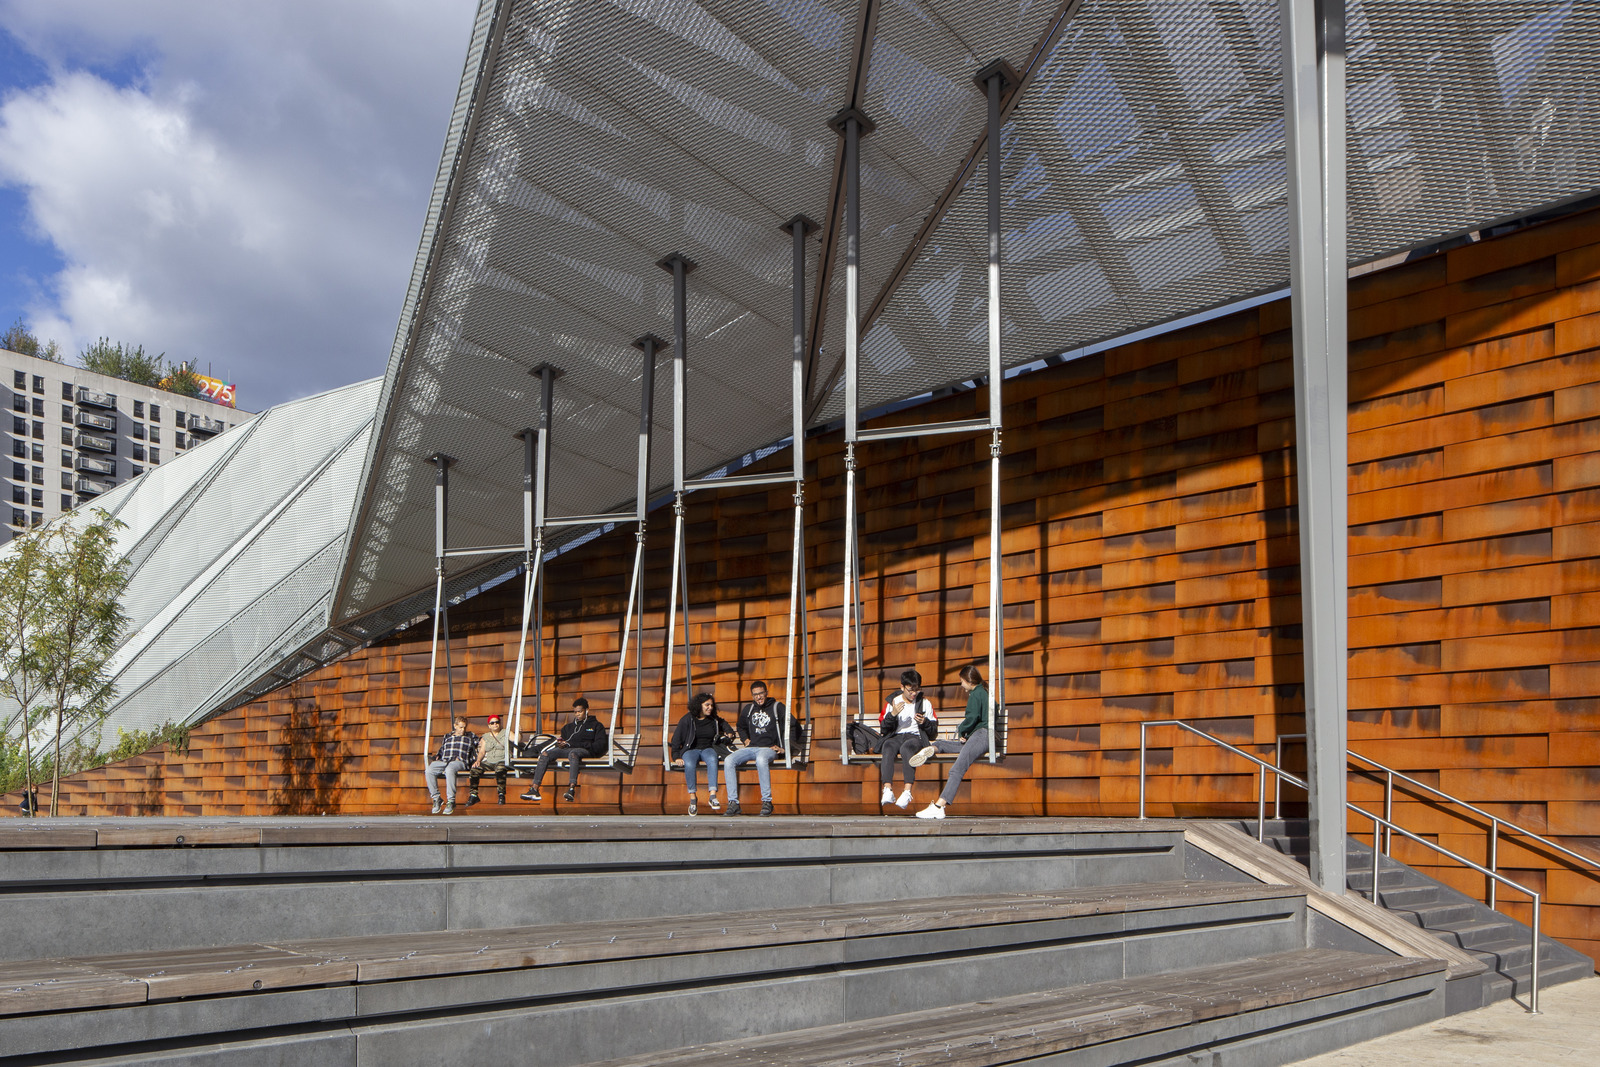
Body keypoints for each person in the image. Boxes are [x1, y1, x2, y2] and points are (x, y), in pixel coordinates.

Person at [914, 665, 992, 820]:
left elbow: (972, 719)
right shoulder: (982, 692)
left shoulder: (976, 694)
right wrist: (968, 734)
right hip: (980, 735)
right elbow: (982, 718)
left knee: (958, 768)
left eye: (961, 681)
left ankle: (939, 806)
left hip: (982, 736)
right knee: (943, 743)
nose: (961, 684)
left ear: (969, 681)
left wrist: (963, 731)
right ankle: (933, 748)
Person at [519, 697, 609, 802]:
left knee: (573, 753)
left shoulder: (596, 726)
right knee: (545, 754)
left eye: (580, 711)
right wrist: (561, 744)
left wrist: (572, 744)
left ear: (587, 710)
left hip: (585, 751)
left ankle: (571, 789)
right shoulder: (568, 728)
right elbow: (565, 741)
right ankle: (534, 789)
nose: (577, 714)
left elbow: (599, 745)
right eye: (575, 712)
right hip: (567, 749)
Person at [723, 680, 786, 817]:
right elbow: (740, 726)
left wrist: (784, 748)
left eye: (761, 693)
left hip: (768, 749)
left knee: (761, 759)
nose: (759, 697)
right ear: (752, 696)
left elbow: (792, 726)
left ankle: (767, 802)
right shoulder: (749, 709)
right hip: (751, 748)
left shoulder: (777, 707)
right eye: (755, 694)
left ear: (766, 693)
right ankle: (733, 803)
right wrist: (745, 739)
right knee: (729, 760)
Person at [878, 669, 937, 810]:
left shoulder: (925, 703)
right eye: (910, 690)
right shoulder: (893, 702)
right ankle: (887, 789)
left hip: (915, 737)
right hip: (896, 736)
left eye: (916, 690)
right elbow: (884, 729)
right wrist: (892, 714)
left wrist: (925, 722)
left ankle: (907, 791)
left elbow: (933, 732)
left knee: (906, 748)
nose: (914, 693)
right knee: (888, 746)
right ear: (902, 687)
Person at [670, 692, 733, 816]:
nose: (710, 708)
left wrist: (729, 732)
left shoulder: (713, 719)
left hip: (708, 748)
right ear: (699, 705)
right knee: (689, 763)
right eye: (707, 705)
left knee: (712, 759)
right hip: (691, 750)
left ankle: (712, 795)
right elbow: (676, 739)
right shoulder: (687, 719)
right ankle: (693, 799)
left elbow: (724, 723)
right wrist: (676, 756)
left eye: (712, 705)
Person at [425, 716, 478, 815]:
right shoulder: (447, 736)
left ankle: (451, 801)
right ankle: (436, 798)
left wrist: (477, 760)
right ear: (455, 726)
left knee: (450, 770)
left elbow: (481, 745)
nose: (463, 730)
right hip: (445, 759)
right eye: (461, 727)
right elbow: (442, 750)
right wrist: (437, 756)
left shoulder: (470, 736)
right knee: (429, 770)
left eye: (464, 727)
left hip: (459, 761)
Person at [468, 714, 511, 806]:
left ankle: (501, 794)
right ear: (489, 725)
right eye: (492, 723)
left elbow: (516, 739)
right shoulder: (486, 737)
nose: (495, 724)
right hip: (489, 761)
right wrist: (478, 760)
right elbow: (482, 751)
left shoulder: (506, 732)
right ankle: (473, 794)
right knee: (475, 769)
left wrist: (519, 733)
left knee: (500, 768)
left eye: (497, 722)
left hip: (502, 759)